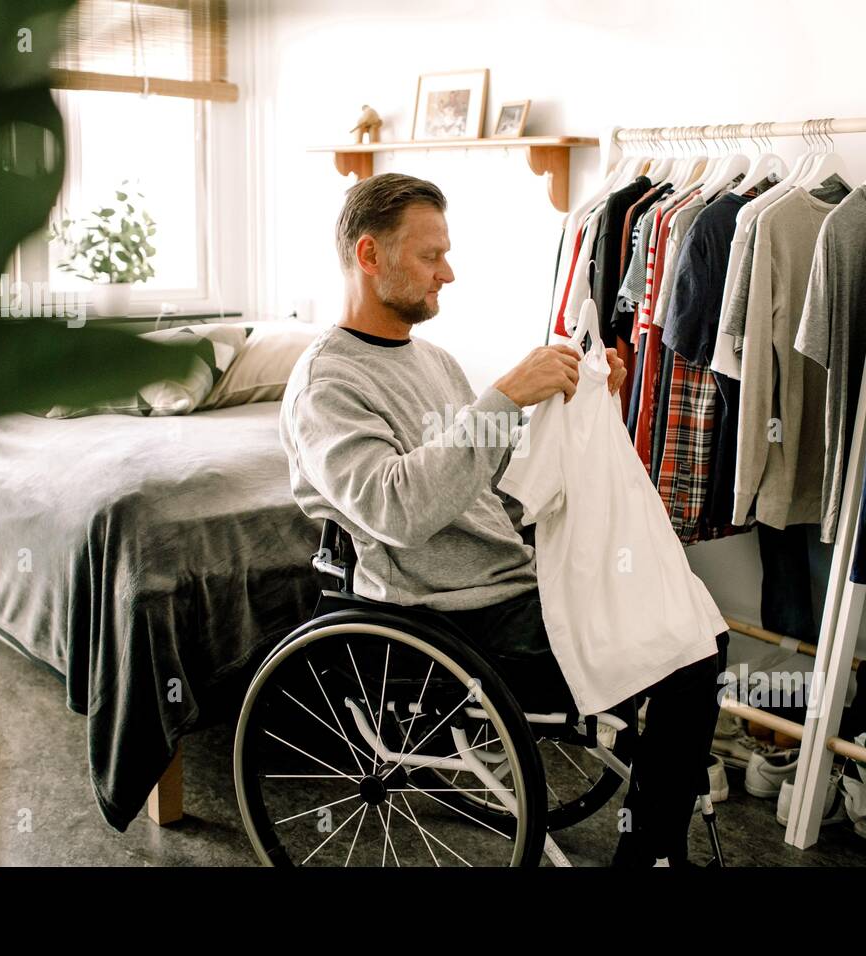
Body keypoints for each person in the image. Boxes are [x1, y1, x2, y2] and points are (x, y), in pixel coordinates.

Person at [279, 172, 726, 866]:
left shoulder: (433, 361)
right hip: (441, 612)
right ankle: (652, 853)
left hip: (508, 583)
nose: (447, 273)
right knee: (684, 651)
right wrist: (506, 397)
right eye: (430, 256)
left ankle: (653, 832)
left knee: (692, 613)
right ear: (370, 257)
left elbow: (488, 486)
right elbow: (397, 509)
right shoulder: (326, 385)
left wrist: (573, 402)